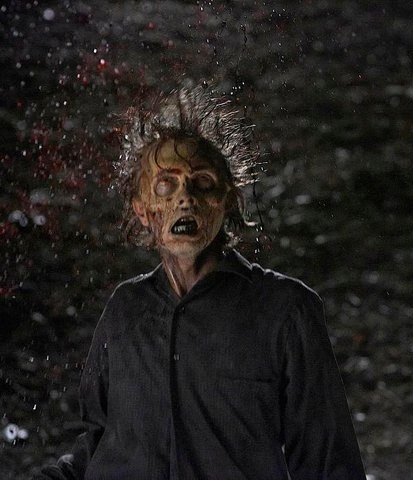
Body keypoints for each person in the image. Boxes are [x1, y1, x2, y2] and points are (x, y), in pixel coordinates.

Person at [34, 86, 366, 479]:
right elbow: (97, 446)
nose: (185, 198)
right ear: (142, 210)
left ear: (228, 199)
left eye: (202, 182)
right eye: (165, 184)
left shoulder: (286, 311)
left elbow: (329, 464)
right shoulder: (125, 310)